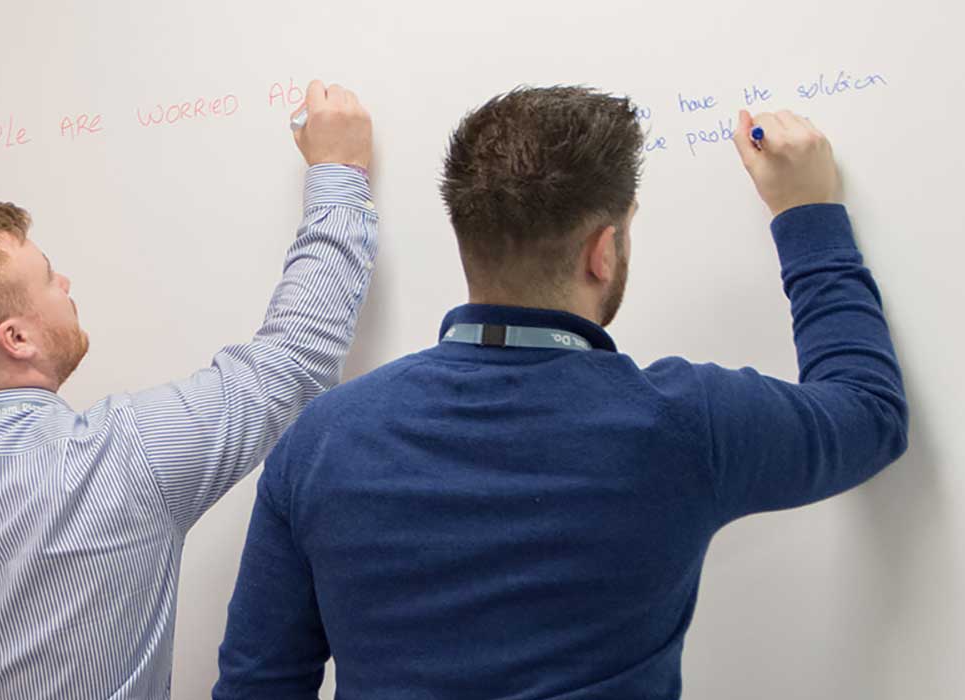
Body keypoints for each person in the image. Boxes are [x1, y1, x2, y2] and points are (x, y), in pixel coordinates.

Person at [214, 87, 910, 699]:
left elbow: (259, 685)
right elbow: (868, 412)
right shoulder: (683, 424)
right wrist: (807, 213)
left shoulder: (323, 438)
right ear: (601, 251)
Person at [0, 80, 377, 699]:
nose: (64, 281)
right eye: (45, 277)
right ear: (16, 337)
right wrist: (340, 172)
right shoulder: (122, 458)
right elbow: (290, 360)